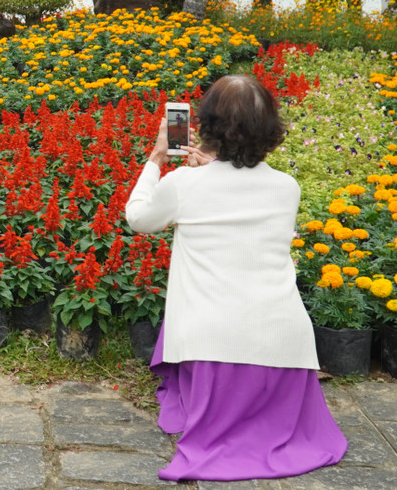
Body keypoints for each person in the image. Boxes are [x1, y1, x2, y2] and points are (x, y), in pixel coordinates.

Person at [125, 75, 346, 482]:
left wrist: (157, 159)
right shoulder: (287, 187)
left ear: (207, 126)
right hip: (284, 348)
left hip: (214, 346)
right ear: (270, 131)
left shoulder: (183, 183)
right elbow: (238, 194)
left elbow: (138, 219)